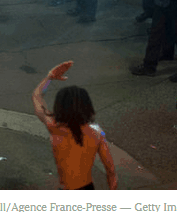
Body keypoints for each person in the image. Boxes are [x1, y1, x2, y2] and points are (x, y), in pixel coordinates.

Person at [32, 60, 118, 190]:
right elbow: (110, 170)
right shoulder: (96, 132)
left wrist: (49, 78)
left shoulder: (54, 126)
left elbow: (37, 95)